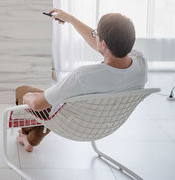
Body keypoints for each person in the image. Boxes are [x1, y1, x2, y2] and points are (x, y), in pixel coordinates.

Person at [16, 9, 148, 152]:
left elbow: (37, 104)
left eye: (96, 34)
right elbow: (109, 47)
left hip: (71, 124)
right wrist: (71, 19)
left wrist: (28, 97)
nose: (94, 36)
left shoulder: (83, 76)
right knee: (51, 97)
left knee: (25, 92)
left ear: (103, 44)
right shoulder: (141, 64)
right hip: (104, 124)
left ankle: (25, 133)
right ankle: (30, 140)